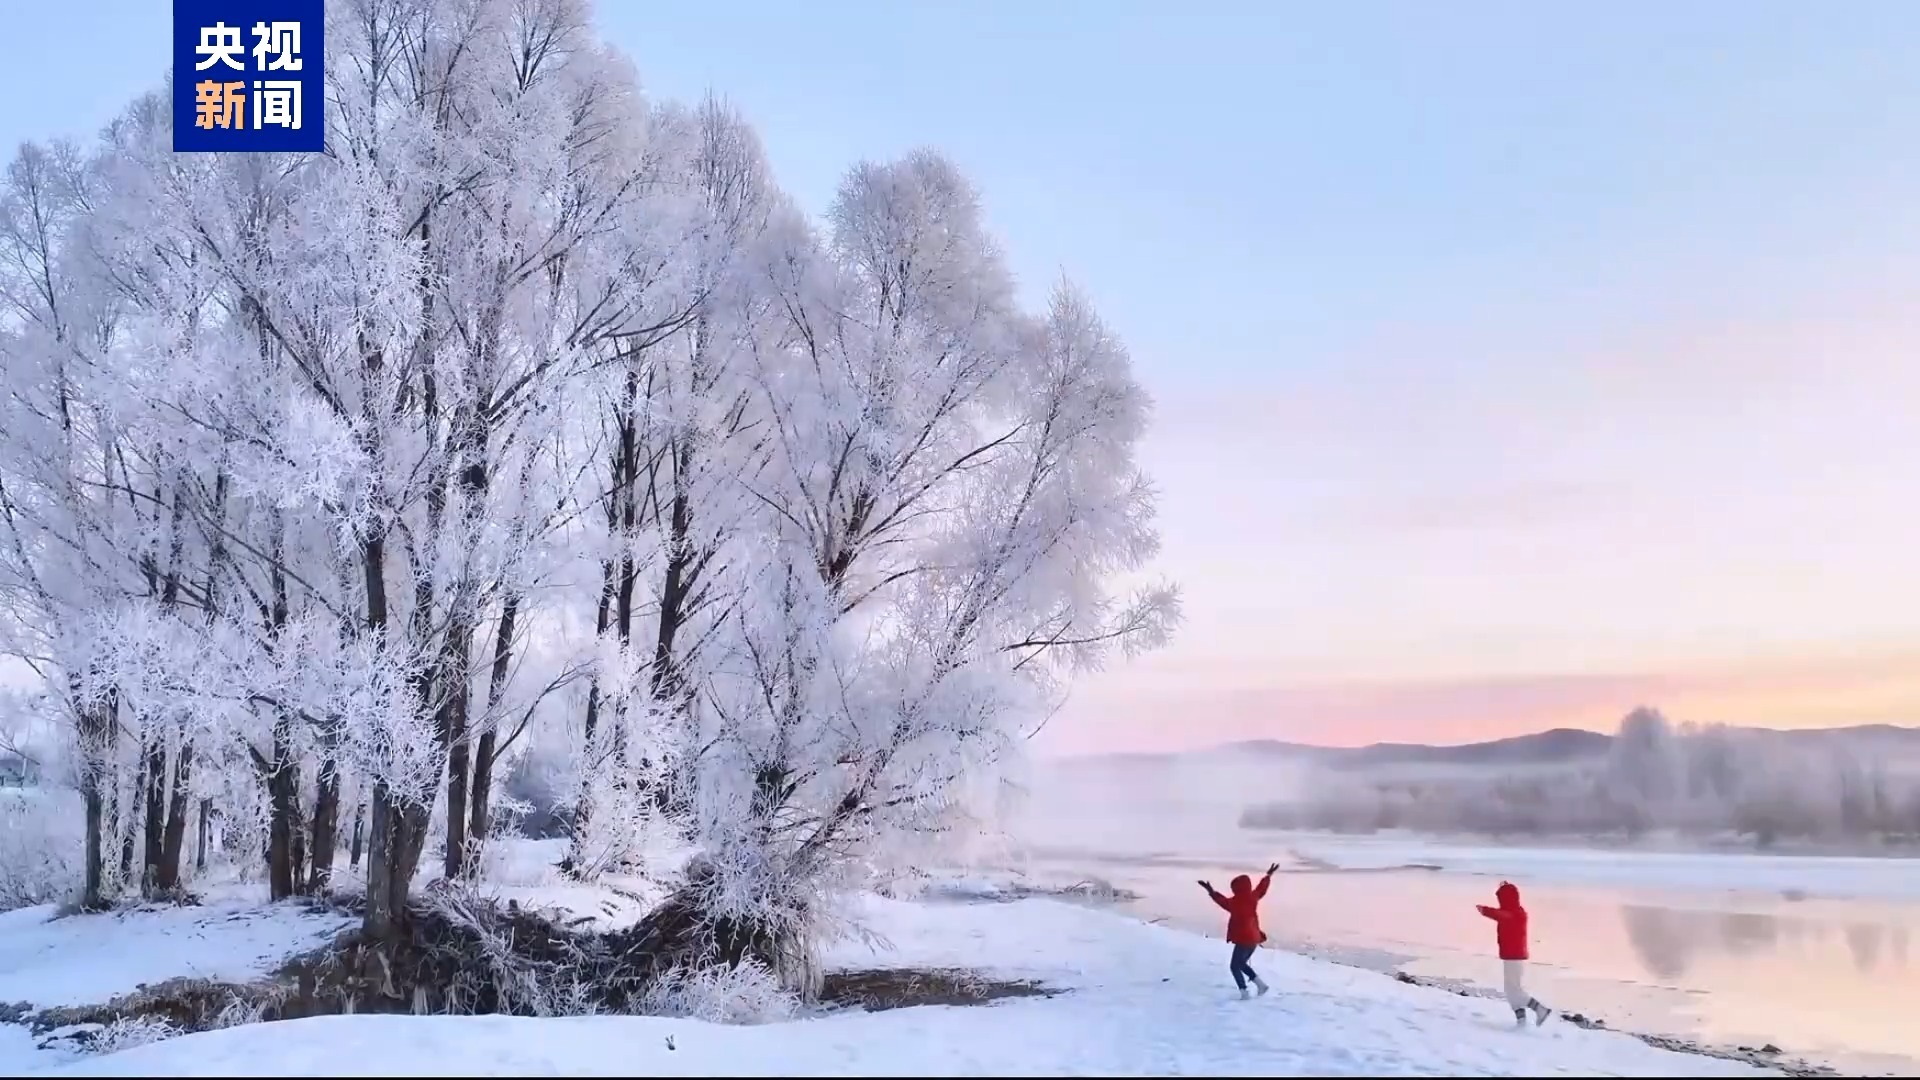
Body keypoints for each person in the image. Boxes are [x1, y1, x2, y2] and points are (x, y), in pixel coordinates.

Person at [1198, 862, 1279, 999]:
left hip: (1243, 940)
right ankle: (1259, 986)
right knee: (1241, 964)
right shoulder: (1252, 898)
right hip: (1254, 938)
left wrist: (1210, 891)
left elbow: (1221, 901)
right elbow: (1261, 888)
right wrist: (1268, 875)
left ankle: (1246, 991)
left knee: (1235, 966)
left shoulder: (1234, 903)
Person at [1477, 880, 1552, 1026]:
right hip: (1512, 955)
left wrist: (1484, 910)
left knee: (1515, 991)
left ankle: (1540, 1010)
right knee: (1511, 991)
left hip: (1514, 956)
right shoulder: (1517, 912)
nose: (1499, 901)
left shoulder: (1515, 914)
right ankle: (1521, 1022)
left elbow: (1500, 915)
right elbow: (1501, 915)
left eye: (1501, 898)